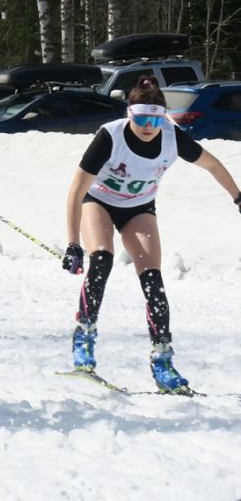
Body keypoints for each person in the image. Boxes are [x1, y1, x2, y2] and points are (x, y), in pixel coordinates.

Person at [63, 76, 241, 394]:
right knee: (101, 259)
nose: (148, 126)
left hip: (139, 208)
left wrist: (238, 197)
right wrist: (73, 243)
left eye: (156, 119)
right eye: (141, 118)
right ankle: (84, 337)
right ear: (129, 115)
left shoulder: (172, 138)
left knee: (153, 282)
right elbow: (77, 190)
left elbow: (213, 165)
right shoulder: (110, 136)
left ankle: (163, 362)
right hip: (99, 202)